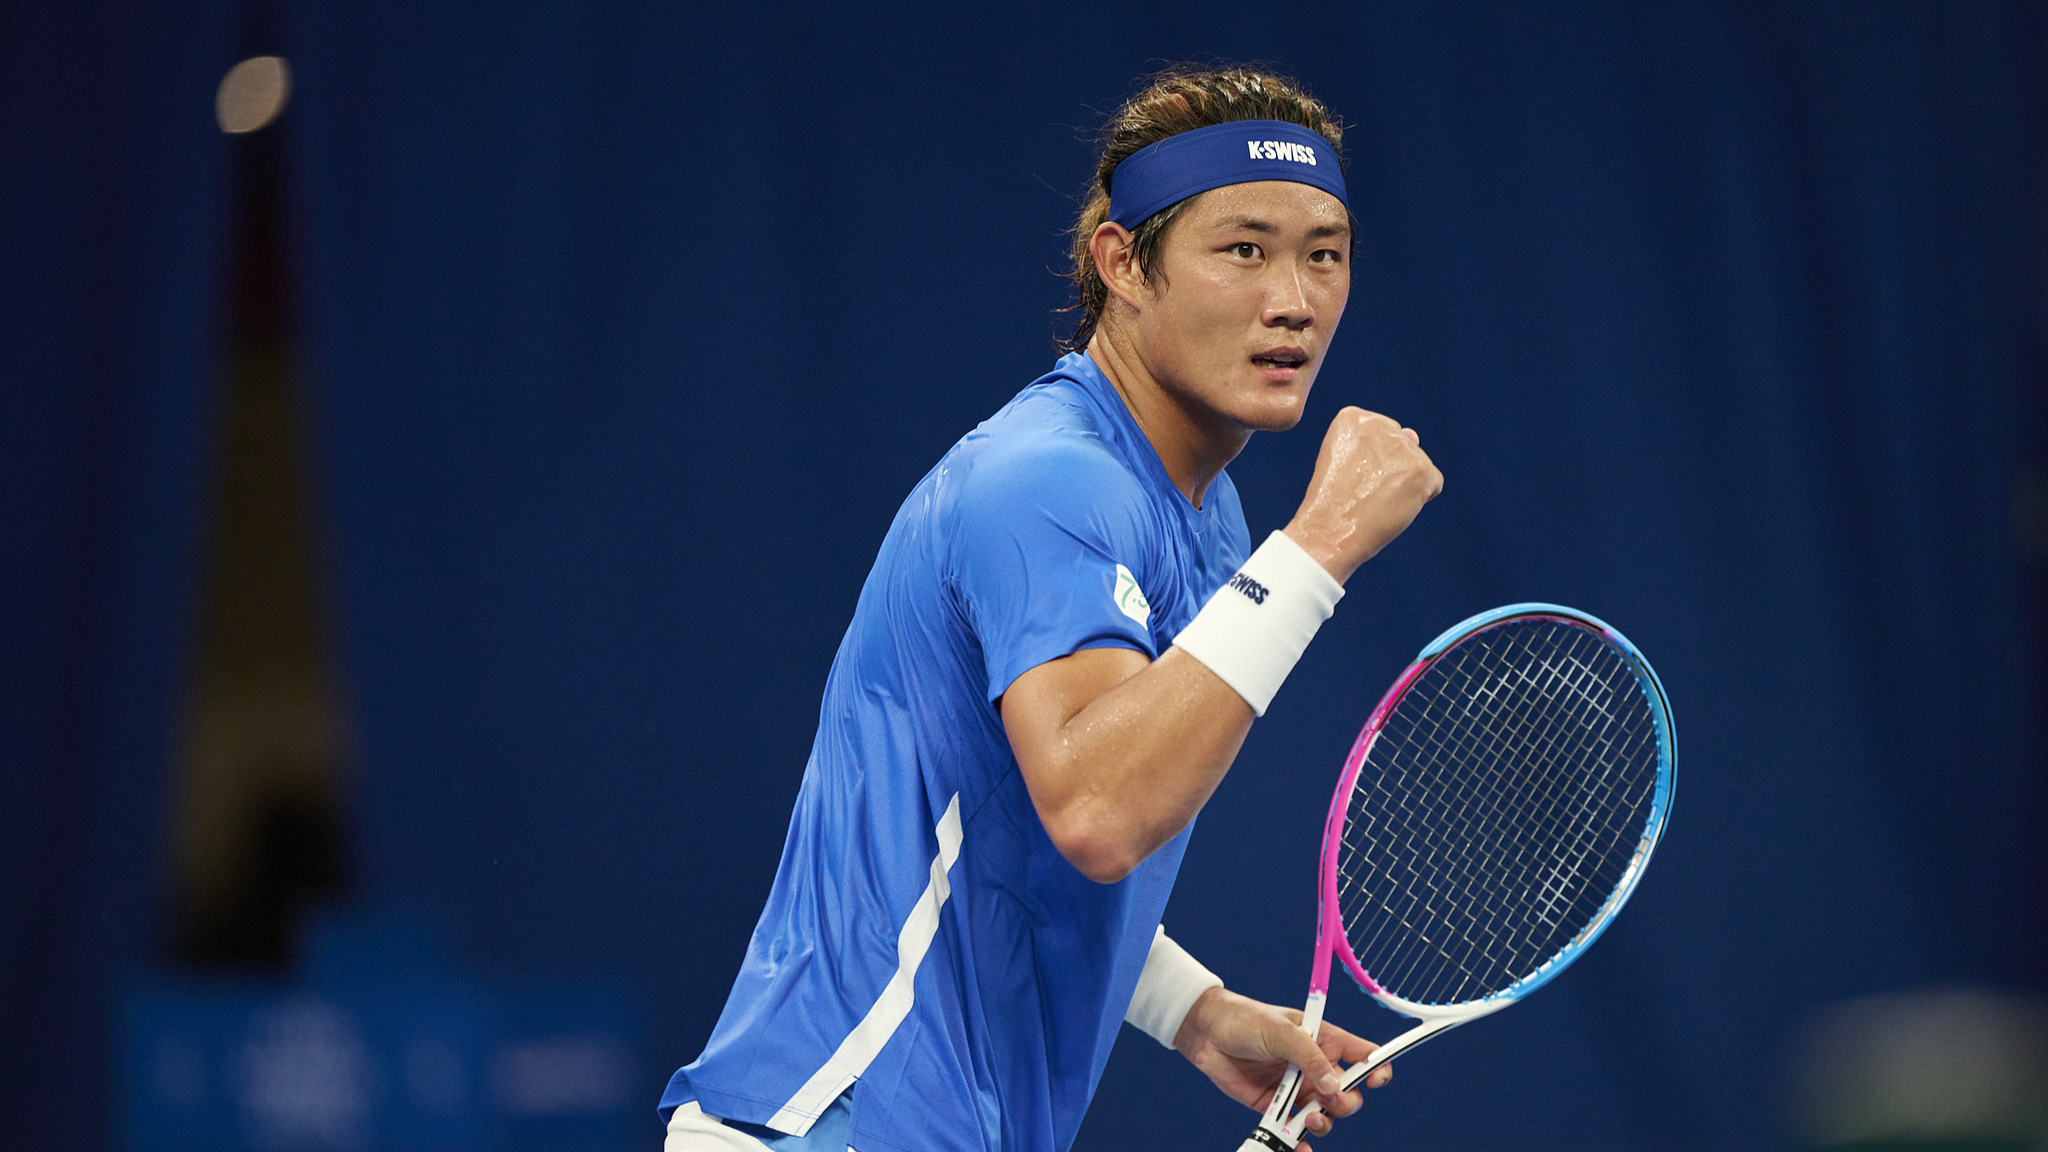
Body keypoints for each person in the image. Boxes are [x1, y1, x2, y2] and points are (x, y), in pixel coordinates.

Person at [660, 65, 1443, 1152]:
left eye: (1323, 254)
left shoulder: (1205, 518)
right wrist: (1320, 547)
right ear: (1122, 263)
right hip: (827, 1126)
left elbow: (1008, 836)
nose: (1293, 300)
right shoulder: (1047, 480)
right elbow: (1096, 813)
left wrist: (1191, 1011)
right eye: (1242, 249)